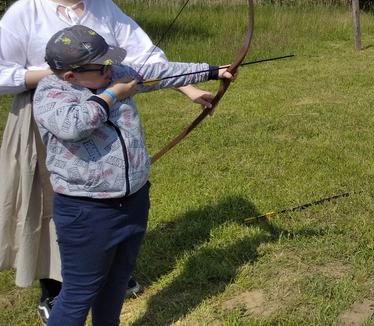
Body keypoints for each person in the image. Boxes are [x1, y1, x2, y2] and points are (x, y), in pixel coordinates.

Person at [0, 0, 218, 324]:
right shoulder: (26, 12)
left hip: (109, 111)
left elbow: (142, 59)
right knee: (53, 204)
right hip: (47, 116)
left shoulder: (102, 7)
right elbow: (2, 74)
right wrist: (58, 77)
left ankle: (107, 274)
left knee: (106, 195)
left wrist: (189, 87)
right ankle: (57, 289)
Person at [33, 24, 234, 325]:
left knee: (117, 282)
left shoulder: (114, 75)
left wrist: (213, 71)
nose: (110, 69)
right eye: (102, 66)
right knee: (79, 292)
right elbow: (75, 125)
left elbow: (160, 72)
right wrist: (112, 94)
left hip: (133, 201)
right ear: (71, 75)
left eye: (109, 62)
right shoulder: (50, 94)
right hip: (86, 211)